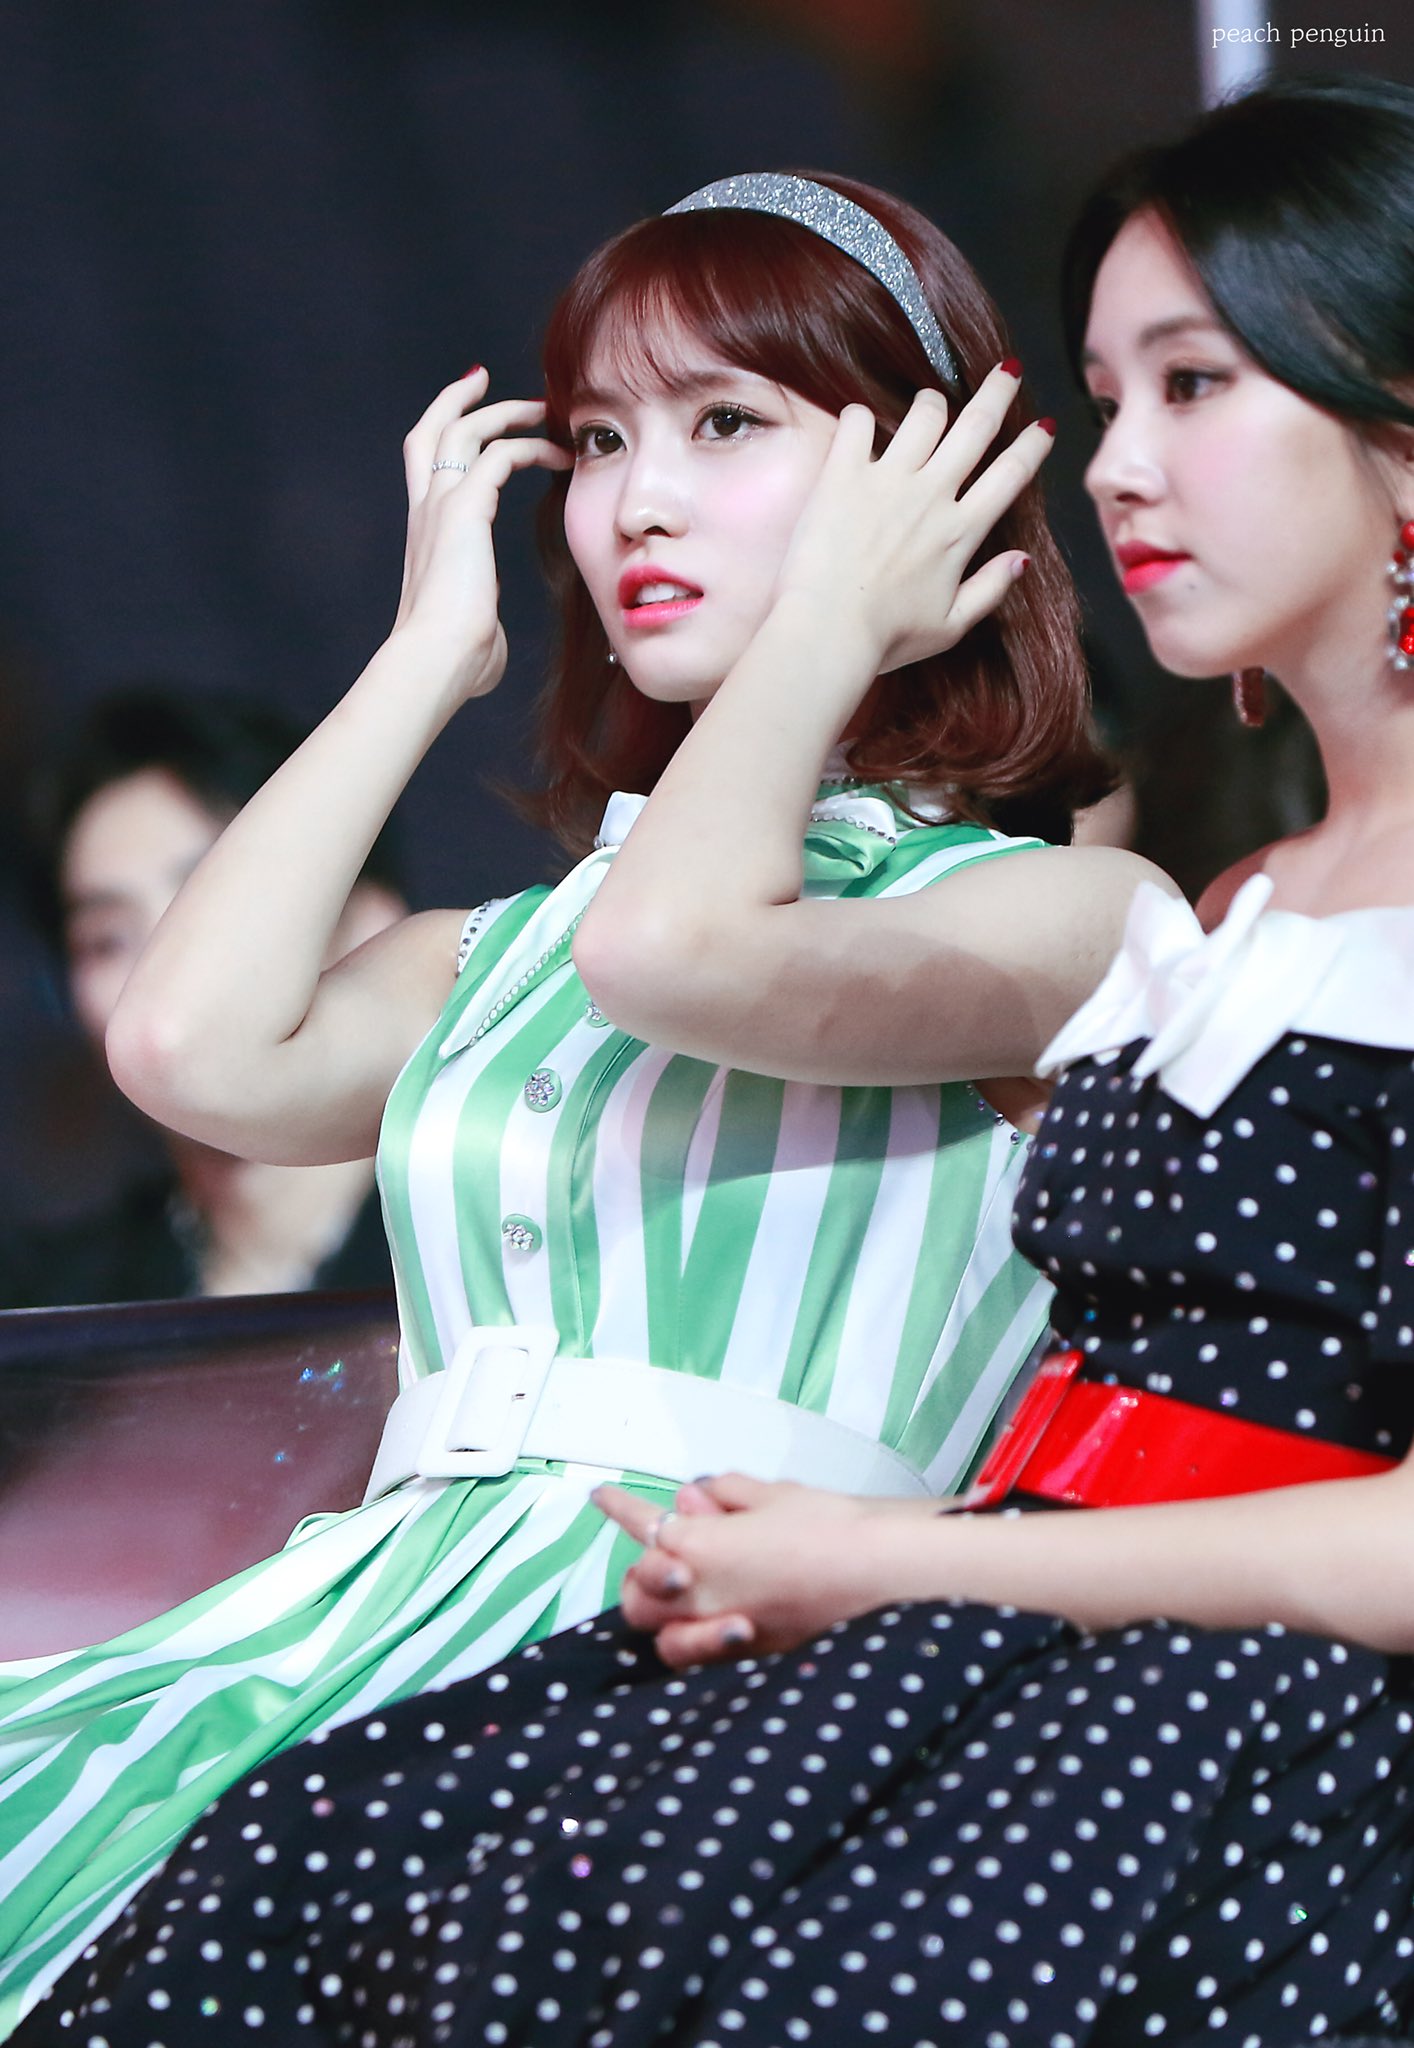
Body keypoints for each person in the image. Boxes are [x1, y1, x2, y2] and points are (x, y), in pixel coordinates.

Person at [28, 76, 1414, 2048]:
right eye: (595, 440)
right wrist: (424, 653)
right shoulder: (521, 943)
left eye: (723, 425)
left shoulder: (1055, 915)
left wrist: (832, 624)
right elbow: (190, 1044)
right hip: (410, 1600)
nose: (636, 500)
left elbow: (681, 953)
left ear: (921, 473)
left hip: (713, 1631)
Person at [0, 688, 402, 1306]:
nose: (167, 976)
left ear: (374, 923)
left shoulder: (501, 1235)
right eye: (107, 940)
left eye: (214, 910)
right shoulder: (53, 1311)